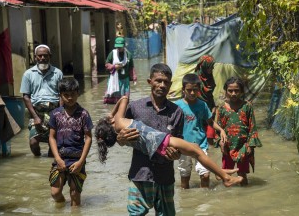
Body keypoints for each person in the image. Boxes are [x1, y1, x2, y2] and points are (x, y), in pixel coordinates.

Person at [95, 96, 242, 186]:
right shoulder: (120, 124)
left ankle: (219, 172)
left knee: (195, 149)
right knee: (197, 150)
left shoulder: (122, 137)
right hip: (163, 141)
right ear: (110, 123)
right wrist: (112, 113)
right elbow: (124, 98)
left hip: (158, 146)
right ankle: (225, 178)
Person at [116, 63, 184, 215]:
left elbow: (179, 144)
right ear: (149, 82)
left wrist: (176, 154)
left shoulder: (177, 112)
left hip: (165, 175)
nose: (162, 85)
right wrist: (120, 139)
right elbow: (120, 135)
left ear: (171, 85)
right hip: (140, 173)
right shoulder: (135, 107)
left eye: (166, 82)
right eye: (158, 80)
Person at [175, 73, 227, 189]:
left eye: (195, 90)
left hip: (200, 145)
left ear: (199, 90)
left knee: (205, 175)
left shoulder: (202, 105)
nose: (192, 93)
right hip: (183, 146)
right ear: (183, 90)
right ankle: (186, 203)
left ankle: (204, 201)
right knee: (185, 177)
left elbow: (210, 121)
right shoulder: (177, 106)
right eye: (189, 90)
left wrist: (221, 130)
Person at [48, 78, 93, 206]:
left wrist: (81, 162)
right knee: (55, 193)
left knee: (74, 194)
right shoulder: (55, 114)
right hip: (60, 158)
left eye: (73, 94)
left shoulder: (84, 114)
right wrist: (57, 159)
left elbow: (88, 138)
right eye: (66, 95)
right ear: (60, 95)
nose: (70, 98)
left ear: (78, 93)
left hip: (77, 159)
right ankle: (62, 205)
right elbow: (52, 137)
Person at [216, 76, 262, 186]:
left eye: (236, 91)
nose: (233, 94)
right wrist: (220, 142)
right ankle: (228, 199)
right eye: (230, 91)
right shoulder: (222, 108)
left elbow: (252, 127)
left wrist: (250, 145)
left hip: (243, 146)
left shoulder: (247, 106)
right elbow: (218, 128)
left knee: (242, 174)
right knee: (226, 175)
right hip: (227, 145)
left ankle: (244, 197)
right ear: (226, 91)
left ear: (241, 91)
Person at [20, 44, 63, 156]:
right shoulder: (28, 74)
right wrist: (35, 117)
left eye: (45, 55)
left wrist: (61, 113)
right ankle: (38, 159)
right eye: (40, 56)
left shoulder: (57, 73)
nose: (42, 58)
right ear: (35, 57)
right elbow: (25, 96)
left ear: (50, 56)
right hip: (36, 112)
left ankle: (50, 164)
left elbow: (61, 94)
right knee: (33, 142)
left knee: (53, 143)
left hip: (54, 111)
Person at [103, 37, 137, 104]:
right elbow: (107, 64)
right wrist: (114, 67)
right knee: (111, 101)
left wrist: (134, 77)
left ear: (124, 45)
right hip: (114, 79)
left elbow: (131, 67)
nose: (119, 48)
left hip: (125, 80)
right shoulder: (112, 53)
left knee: (124, 100)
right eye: (117, 47)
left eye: (120, 47)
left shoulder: (128, 55)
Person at [194, 54, 217, 145]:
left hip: (210, 112)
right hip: (197, 113)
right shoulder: (194, 80)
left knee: (210, 138)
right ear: (204, 66)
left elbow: (209, 95)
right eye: (210, 67)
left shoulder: (209, 77)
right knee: (197, 140)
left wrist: (213, 107)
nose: (212, 70)